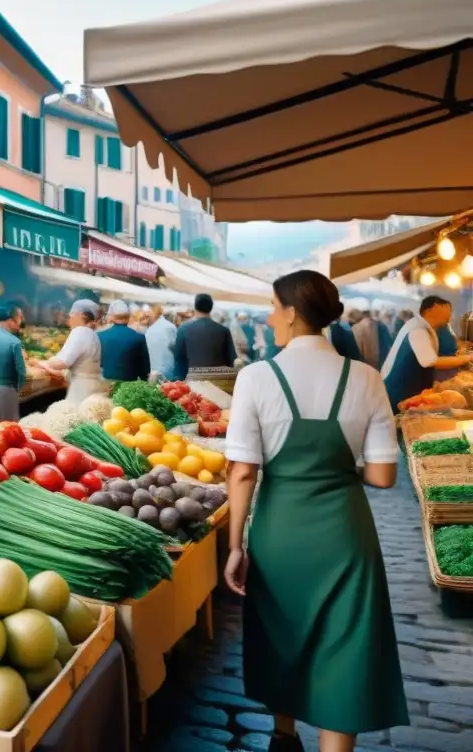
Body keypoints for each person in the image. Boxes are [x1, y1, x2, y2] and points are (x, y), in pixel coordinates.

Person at [223, 270, 408, 752]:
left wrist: (234, 546)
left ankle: (284, 737)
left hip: (280, 532)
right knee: (343, 649)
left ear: (290, 313)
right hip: (346, 536)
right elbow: (384, 476)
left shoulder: (255, 378)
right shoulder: (367, 379)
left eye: (272, 306)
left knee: (283, 633)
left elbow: (242, 472)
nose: (268, 316)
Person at [382, 296, 472, 411]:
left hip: (409, 388)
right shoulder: (417, 329)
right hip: (398, 390)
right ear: (432, 308)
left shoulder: (426, 327)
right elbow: (430, 361)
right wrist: (467, 358)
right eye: (447, 308)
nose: (450, 313)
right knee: (401, 420)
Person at [37, 300, 105, 405]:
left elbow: (62, 362)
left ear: (82, 315)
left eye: (72, 315)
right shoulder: (93, 334)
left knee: (77, 417)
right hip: (92, 386)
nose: (70, 319)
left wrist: (41, 363)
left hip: (81, 389)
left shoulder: (79, 332)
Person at [172, 294, 237, 380]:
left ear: (195, 307)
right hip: (218, 384)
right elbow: (232, 360)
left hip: (192, 383)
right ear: (211, 308)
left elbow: (178, 359)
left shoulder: (183, 329)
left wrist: (180, 380)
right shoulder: (223, 330)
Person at [98, 300, 151, 382]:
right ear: (128, 317)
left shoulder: (100, 336)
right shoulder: (139, 338)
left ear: (112, 317)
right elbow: (145, 370)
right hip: (128, 388)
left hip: (105, 386)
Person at [145, 304, 178, 377]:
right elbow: (176, 348)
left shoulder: (149, 330)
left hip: (152, 372)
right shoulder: (170, 327)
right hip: (168, 371)